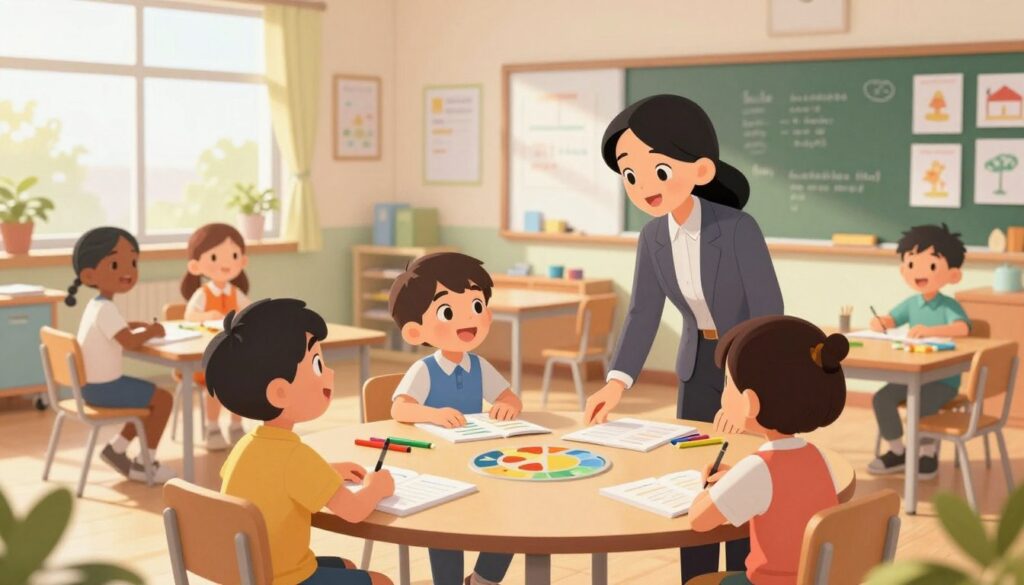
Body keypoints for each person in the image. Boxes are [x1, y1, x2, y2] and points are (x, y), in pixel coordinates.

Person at [582, 94, 784, 581]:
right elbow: (642, 314)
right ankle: (695, 579)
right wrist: (616, 382)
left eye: (657, 169)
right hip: (696, 365)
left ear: (700, 169)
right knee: (694, 478)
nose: (642, 185)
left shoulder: (737, 229)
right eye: (630, 174)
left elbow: (769, 313)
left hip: (746, 362)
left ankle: (740, 577)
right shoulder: (651, 238)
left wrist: (744, 388)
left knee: (740, 476)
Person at [205, 298, 394, 585]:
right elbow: (354, 512)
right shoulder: (295, 456)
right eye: (317, 364)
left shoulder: (245, 445)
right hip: (283, 578)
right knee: (380, 581)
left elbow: (272, 478)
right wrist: (376, 487)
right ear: (279, 392)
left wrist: (326, 470)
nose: (329, 374)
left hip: (248, 573)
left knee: (346, 565)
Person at [388, 252, 519, 585]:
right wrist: (432, 413)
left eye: (476, 307)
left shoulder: (478, 366)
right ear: (416, 331)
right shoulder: (425, 369)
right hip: (436, 467)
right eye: (447, 311)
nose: (468, 320)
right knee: (443, 526)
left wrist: (508, 405)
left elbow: (508, 396)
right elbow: (399, 408)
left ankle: (482, 580)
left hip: (480, 461)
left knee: (510, 518)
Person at [689, 316, 849, 585]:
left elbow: (699, 521)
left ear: (750, 403)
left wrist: (707, 491)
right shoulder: (818, 457)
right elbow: (787, 495)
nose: (724, 389)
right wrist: (735, 478)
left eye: (728, 382)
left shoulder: (760, 467)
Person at [66, 227, 177, 483]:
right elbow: (127, 343)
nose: (128, 270)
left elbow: (118, 331)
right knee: (162, 399)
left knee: (147, 399)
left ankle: (116, 449)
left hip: (90, 387)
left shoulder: (97, 306)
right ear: (89, 274)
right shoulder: (105, 309)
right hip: (102, 389)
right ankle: (145, 463)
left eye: (133, 262)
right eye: (116, 264)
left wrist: (137, 326)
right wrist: (152, 331)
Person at [867, 223, 971, 478]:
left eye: (931, 266)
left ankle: (926, 455)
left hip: (942, 380)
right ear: (904, 269)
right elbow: (892, 318)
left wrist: (930, 331)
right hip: (912, 375)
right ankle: (897, 451)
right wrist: (881, 322)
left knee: (921, 405)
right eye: (912, 265)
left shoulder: (947, 305)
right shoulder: (912, 303)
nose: (919, 273)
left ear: (953, 274)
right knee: (882, 399)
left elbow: (963, 328)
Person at [180, 222, 252, 450]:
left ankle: (236, 425)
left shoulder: (235, 293)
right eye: (214, 257)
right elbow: (189, 316)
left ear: (242, 261)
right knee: (218, 381)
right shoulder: (202, 294)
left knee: (243, 381)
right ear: (195, 265)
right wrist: (206, 315)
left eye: (233, 255)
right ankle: (212, 427)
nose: (224, 263)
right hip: (205, 360)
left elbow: (251, 311)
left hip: (233, 356)